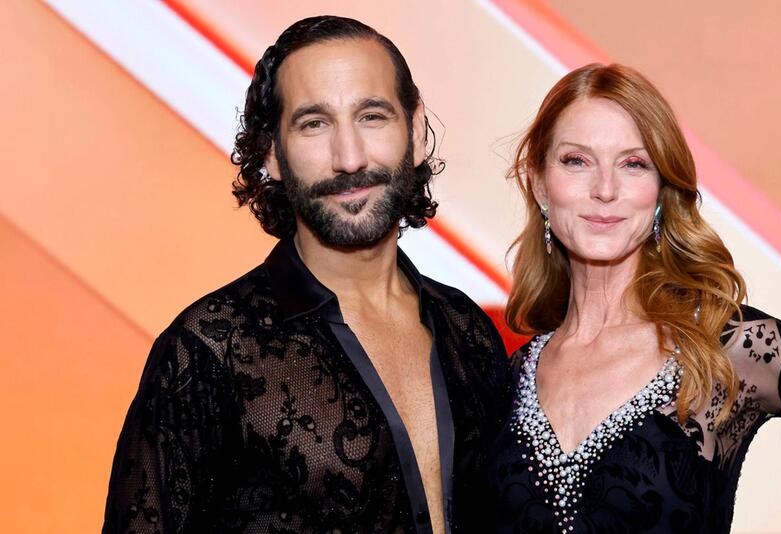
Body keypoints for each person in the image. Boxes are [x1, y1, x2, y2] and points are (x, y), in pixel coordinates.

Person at [487, 63, 781, 533]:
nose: (605, 189)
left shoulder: (733, 347)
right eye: (576, 161)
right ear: (540, 184)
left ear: (662, 191)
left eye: (633, 164)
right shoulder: (512, 372)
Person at [102, 16, 511, 533]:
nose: (349, 158)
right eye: (314, 124)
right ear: (272, 152)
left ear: (417, 131)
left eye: (372, 116)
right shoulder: (208, 349)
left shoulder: (468, 331)